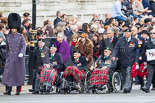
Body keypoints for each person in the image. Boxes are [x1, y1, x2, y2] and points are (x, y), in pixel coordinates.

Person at [2, 13, 26, 95]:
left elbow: (24, 45)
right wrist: (7, 57)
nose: (13, 30)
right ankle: (8, 90)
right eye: (12, 28)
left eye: (15, 28)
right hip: (10, 57)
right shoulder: (8, 37)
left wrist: (22, 53)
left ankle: (18, 90)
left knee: (18, 74)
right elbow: (8, 48)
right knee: (8, 74)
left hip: (18, 57)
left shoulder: (20, 36)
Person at [112, 28, 139, 93]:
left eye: (127, 33)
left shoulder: (134, 40)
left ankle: (126, 87)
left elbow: (136, 51)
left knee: (128, 73)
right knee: (123, 75)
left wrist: (136, 60)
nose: (126, 34)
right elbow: (116, 48)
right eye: (125, 33)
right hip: (122, 60)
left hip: (130, 60)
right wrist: (114, 55)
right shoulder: (121, 39)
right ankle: (128, 86)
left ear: (130, 33)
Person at [142, 29, 155, 93]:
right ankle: (147, 87)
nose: (152, 35)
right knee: (149, 74)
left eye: (154, 33)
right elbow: (144, 49)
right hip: (151, 61)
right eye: (151, 33)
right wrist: (144, 54)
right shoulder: (148, 42)